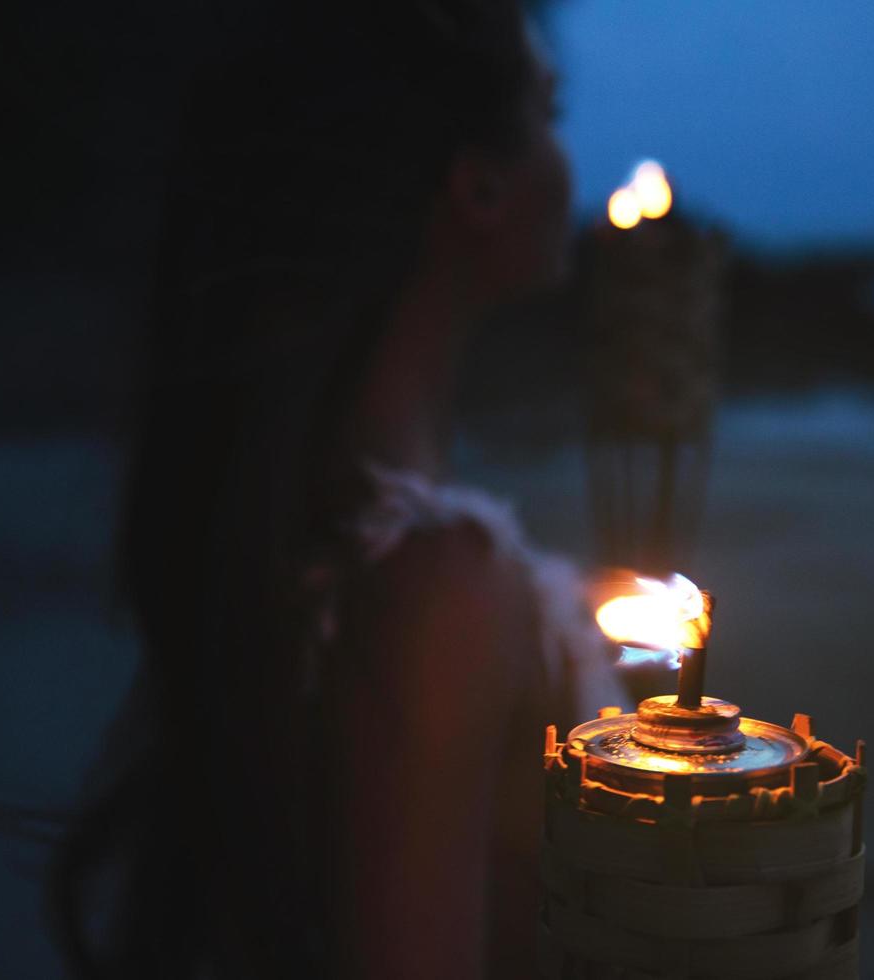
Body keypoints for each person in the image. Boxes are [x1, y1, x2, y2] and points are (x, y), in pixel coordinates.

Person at [50, 2, 623, 977]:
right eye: (550, 111)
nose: (573, 162)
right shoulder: (435, 582)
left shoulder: (301, 514)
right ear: (477, 184)